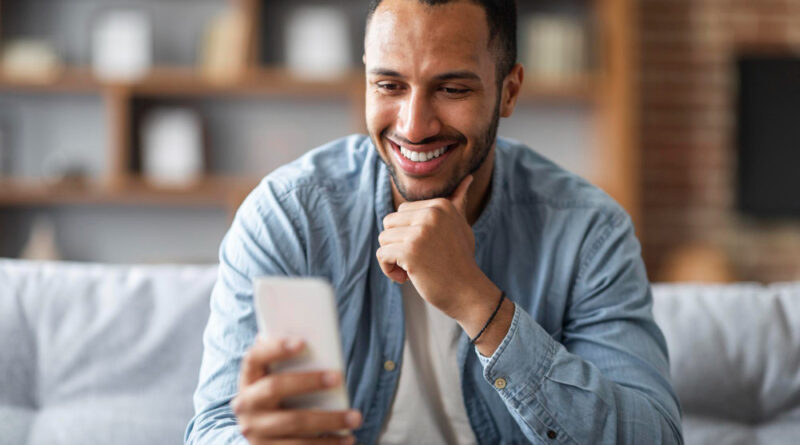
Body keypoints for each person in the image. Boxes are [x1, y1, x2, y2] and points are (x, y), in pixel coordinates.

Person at [185, 0, 683, 443]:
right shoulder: (288, 216)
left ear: (508, 91)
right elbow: (212, 428)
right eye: (389, 85)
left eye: (451, 88)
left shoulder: (589, 233)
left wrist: (478, 303)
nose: (413, 126)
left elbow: (655, 436)